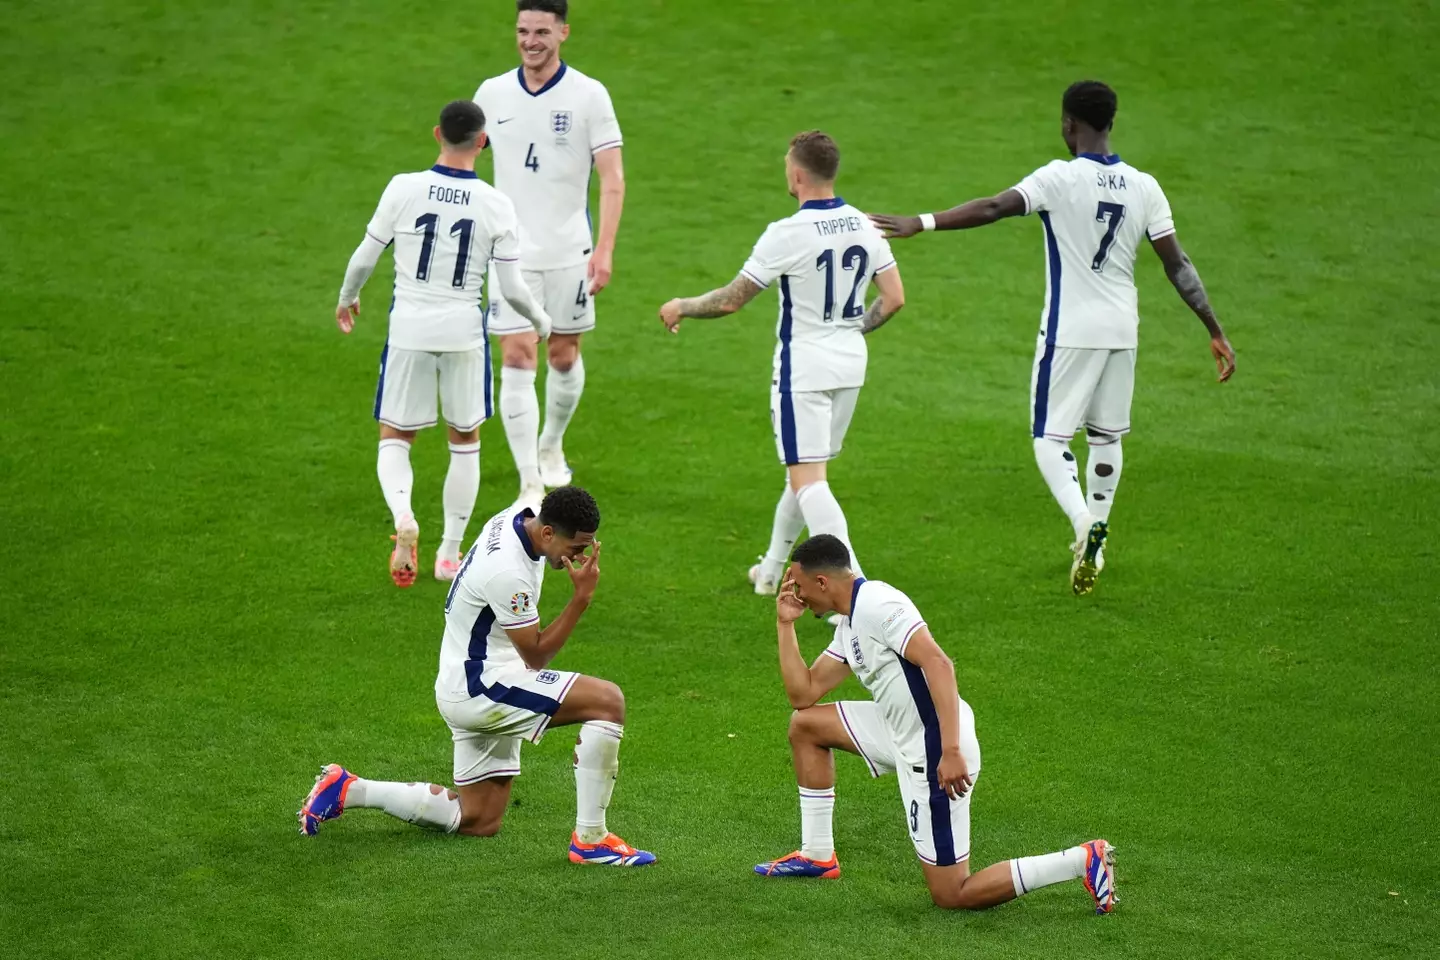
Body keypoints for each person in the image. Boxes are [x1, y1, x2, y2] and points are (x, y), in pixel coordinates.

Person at [871, 80, 1236, 595]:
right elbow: (1179, 265)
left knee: (1050, 439)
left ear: (1069, 123)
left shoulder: (1060, 178)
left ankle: (1085, 524)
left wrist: (921, 222)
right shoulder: (1144, 186)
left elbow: (995, 207)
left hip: (1071, 328)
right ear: (1111, 123)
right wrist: (1214, 329)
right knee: (1107, 437)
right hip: (1122, 329)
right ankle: (1098, 546)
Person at [754, 534, 1117, 914]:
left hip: (933, 750)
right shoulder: (849, 623)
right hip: (897, 731)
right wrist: (785, 624)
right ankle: (817, 855)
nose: (796, 591)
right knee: (805, 725)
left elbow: (939, 663)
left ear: (823, 582)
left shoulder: (879, 604)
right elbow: (804, 692)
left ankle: (1082, 859)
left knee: (952, 894)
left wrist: (951, 749)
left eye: (798, 582)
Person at [299, 486, 655, 867]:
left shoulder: (520, 515)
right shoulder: (507, 572)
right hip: (482, 686)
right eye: (576, 547)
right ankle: (591, 840)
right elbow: (535, 655)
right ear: (548, 533)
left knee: (478, 819)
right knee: (607, 702)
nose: (580, 557)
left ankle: (348, 789)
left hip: (463, 675)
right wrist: (580, 599)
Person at [658, 131, 905, 611]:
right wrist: (850, 332)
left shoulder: (787, 232)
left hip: (803, 370)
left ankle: (855, 594)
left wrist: (682, 305)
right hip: (850, 363)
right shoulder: (866, 225)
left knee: (810, 481)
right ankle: (770, 571)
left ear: (796, 174)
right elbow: (894, 298)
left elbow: (732, 300)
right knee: (805, 472)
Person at [334, 100, 552, 586]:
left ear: (438, 134)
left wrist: (348, 298)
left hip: (409, 328)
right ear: (482, 141)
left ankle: (404, 519)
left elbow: (365, 256)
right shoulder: (496, 204)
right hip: (462, 333)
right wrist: (540, 319)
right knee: (465, 441)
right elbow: (514, 289)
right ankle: (450, 554)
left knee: (395, 435)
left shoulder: (403, 188)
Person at [474, 0, 626, 506]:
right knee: (517, 355)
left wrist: (604, 249)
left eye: (542, 31)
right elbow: (466, 161)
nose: (530, 41)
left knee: (563, 354)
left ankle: (551, 443)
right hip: (509, 253)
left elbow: (612, 180)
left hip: (569, 251)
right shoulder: (493, 94)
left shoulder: (589, 95)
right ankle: (529, 481)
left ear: (563, 32)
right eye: (522, 30)